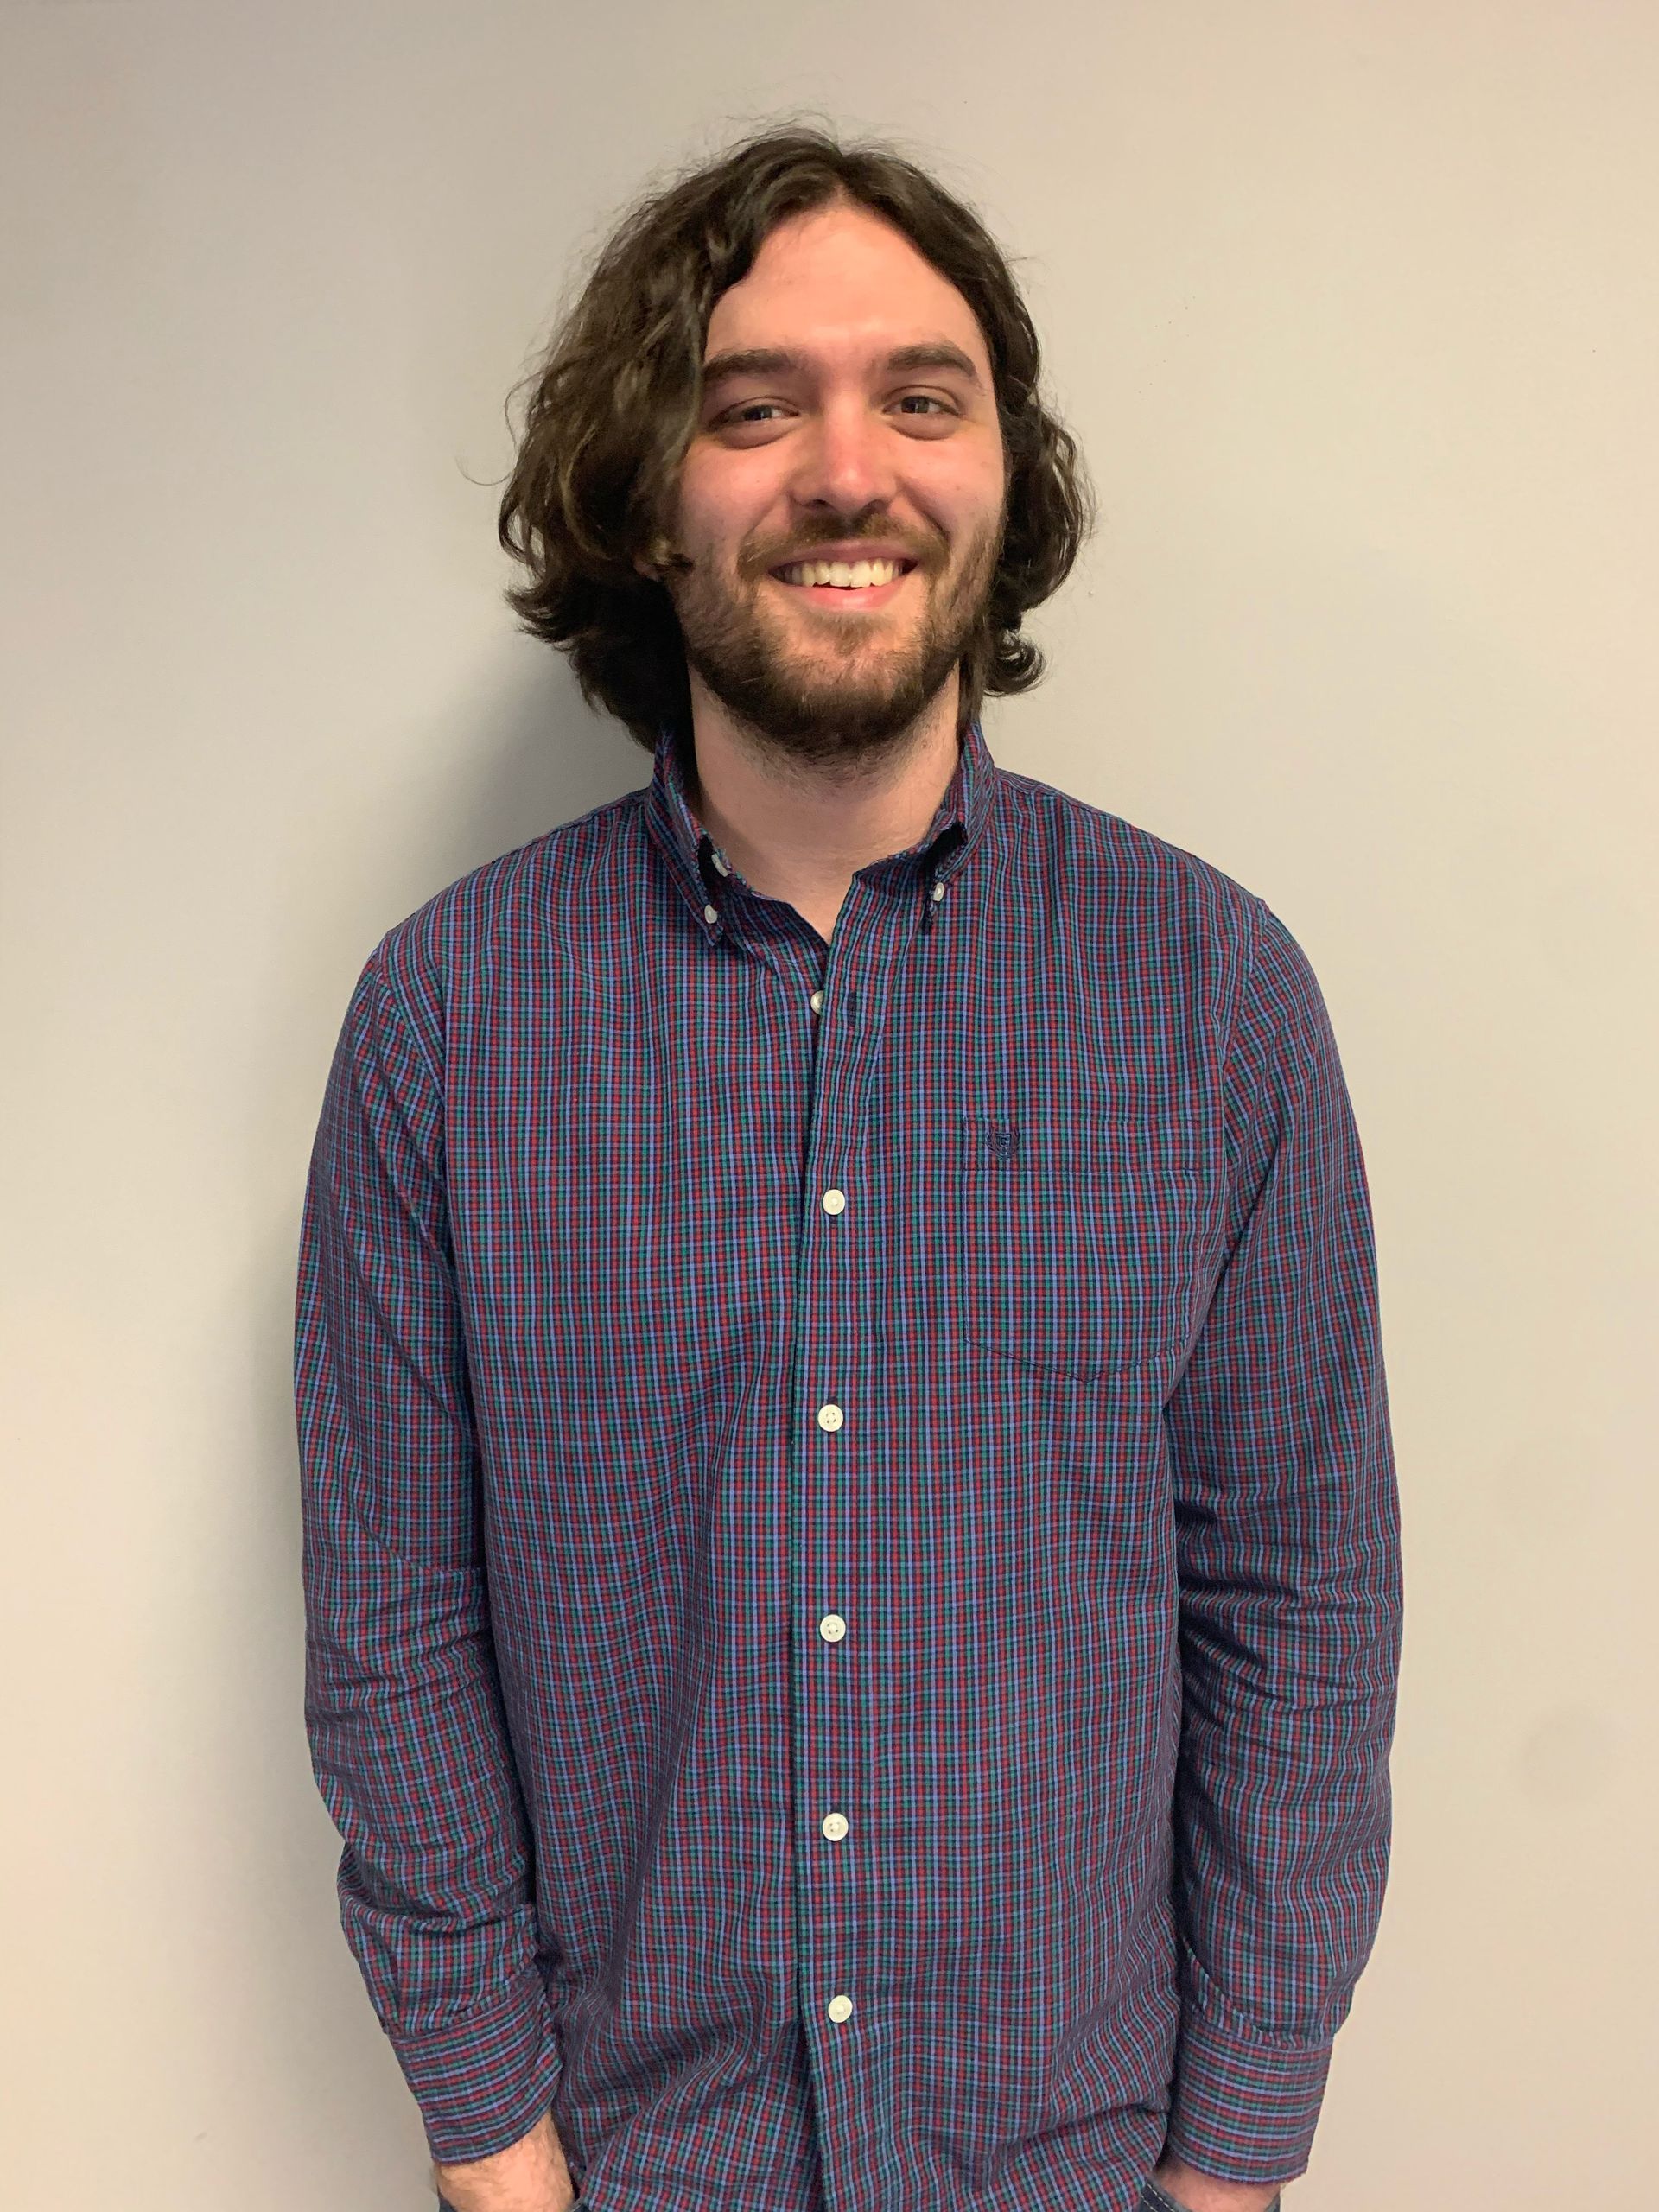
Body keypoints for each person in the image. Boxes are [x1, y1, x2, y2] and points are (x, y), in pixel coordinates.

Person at [294, 123, 1402, 2212]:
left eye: (921, 394)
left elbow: (1301, 1614)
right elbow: (392, 1631)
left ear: (1005, 472)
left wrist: (1232, 2172)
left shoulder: (1219, 1001)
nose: (844, 469)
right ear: (651, 496)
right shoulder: (443, 1024)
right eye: (752, 406)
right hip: (626, 2172)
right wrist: (499, 2158)